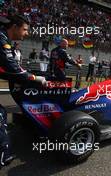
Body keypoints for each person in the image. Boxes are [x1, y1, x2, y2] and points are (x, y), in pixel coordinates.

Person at [0, 14, 46, 167]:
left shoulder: (4, 39)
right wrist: (35, 78)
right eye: (25, 29)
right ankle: (3, 156)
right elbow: (13, 70)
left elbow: (11, 68)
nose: (27, 33)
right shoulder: (1, 39)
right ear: (14, 27)